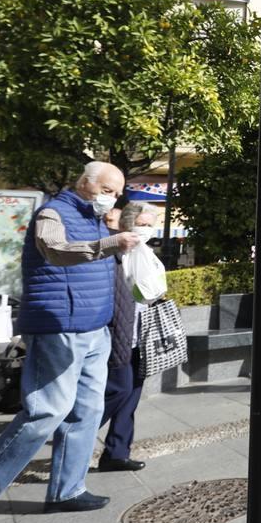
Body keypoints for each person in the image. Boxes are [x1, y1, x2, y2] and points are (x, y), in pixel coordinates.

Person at [0, 162, 140, 523]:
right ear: (85, 183)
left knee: (87, 410)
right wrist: (109, 243)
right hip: (59, 327)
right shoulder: (53, 212)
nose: (112, 198)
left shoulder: (94, 219)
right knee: (46, 411)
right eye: (108, 190)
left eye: (117, 193)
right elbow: (55, 250)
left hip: (93, 329)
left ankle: (67, 490)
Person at [97, 201, 162, 472]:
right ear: (126, 225)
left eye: (150, 225)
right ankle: (72, 432)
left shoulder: (144, 253)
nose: (145, 230)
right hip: (118, 335)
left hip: (141, 334)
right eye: (141, 224)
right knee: (119, 389)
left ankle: (117, 452)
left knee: (132, 395)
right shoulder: (113, 253)